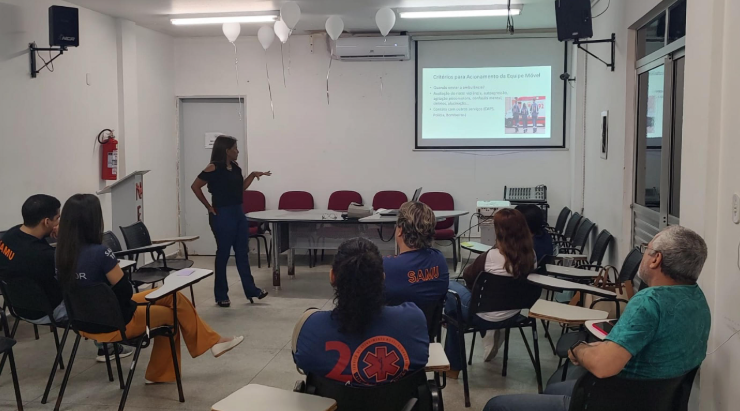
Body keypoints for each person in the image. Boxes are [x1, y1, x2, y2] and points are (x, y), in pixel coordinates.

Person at [484, 226, 711, 411]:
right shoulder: (698, 300)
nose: (643, 255)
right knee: (555, 389)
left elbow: (603, 366)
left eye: (646, 249)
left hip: (617, 401)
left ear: (655, 259)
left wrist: (580, 350)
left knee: (498, 405)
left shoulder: (650, 301)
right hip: (658, 402)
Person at [55, 194, 244, 384]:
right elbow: (125, 291)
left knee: (173, 297)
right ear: (94, 220)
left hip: (83, 320)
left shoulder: (60, 253)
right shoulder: (100, 253)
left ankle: (213, 342)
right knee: (171, 315)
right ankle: (160, 373)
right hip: (115, 322)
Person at [0, 194, 132, 362]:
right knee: (94, 288)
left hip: (18, 305)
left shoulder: (11, 235)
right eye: (58, 218)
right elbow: (74, 276)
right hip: (47, 310)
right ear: (46, 222)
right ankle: (108, 348)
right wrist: (66, 237)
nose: (60, 223)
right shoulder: (44, 257)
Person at [293, 238, 429, 386]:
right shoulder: (413, 321)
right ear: (382, 278)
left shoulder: (309, 328)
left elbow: (304, 365)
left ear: (332, 277)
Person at [445, 208, 536, 377]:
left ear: (499, 232)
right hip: (513, 313)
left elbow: (468, 276)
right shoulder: (531, 257)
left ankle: (453, 367)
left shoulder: (490, 256)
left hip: (482, 315)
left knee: (448, 286)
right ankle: (451, 320)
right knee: (453, 313)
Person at [191, 135, 271, 307]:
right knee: (224, 254)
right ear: (226, 150)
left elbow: (239, 188)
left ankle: (251, 290)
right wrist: (208, 206)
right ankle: (221, 295)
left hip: (238, 212)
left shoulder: (235, 167)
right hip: (222, 214)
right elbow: (195, 186)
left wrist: (252, 175)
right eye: (235, 148)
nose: (237, 151)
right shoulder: (213, 168)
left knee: (242, 253)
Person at [383, 201, 449, 308]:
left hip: (398, 324)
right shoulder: (439, 258)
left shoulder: (386, 266)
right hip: (430, 324)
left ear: (400, 230)